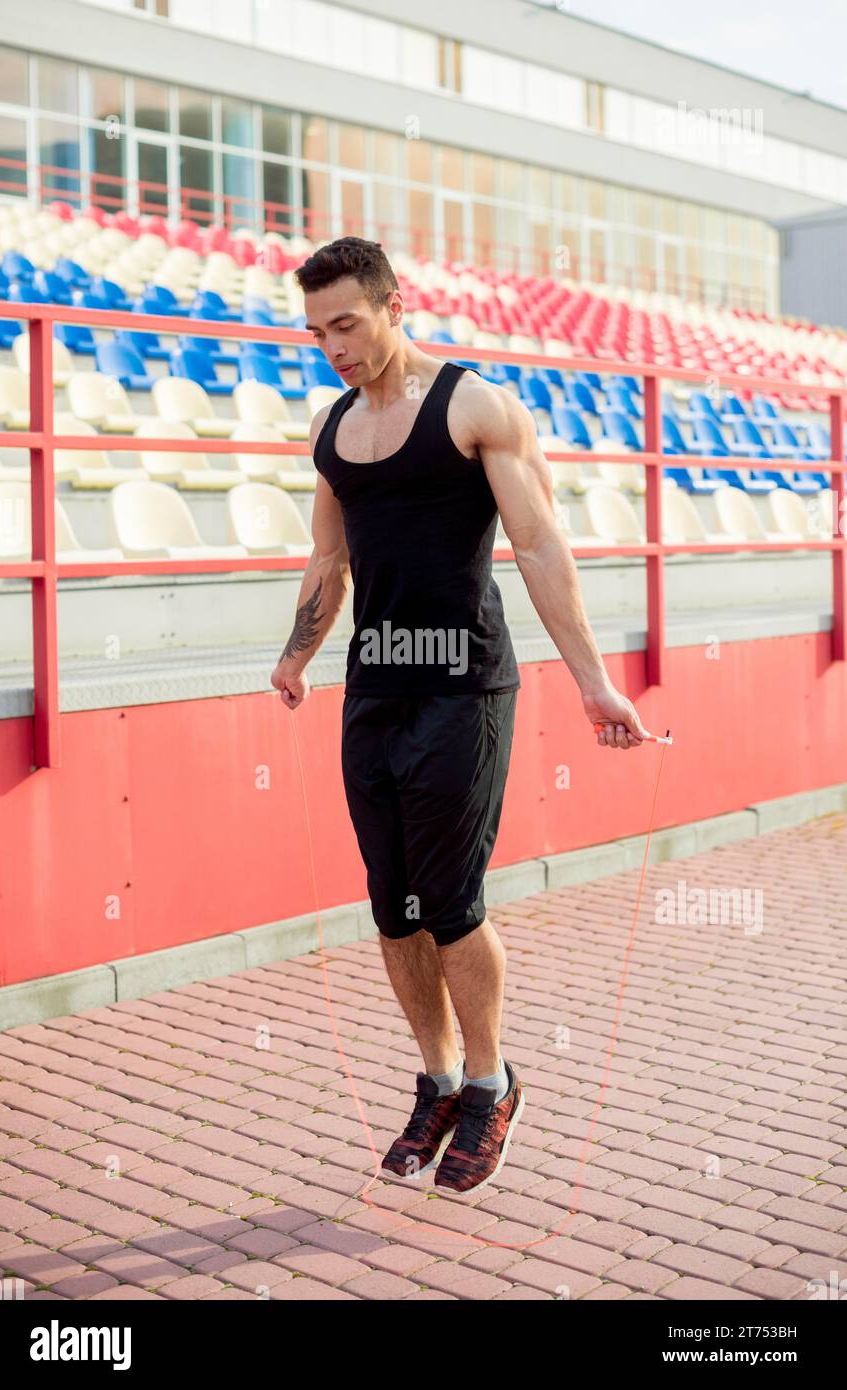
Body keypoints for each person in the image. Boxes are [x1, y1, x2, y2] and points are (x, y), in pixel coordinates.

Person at [271, 236, 651, 1195]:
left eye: (347, 324)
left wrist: (593, 682)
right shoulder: (333, 428)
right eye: (318, 332)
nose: (334, 346)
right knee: (392, 907)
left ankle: (489, 1082)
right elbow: (329, 560)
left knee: (449, 905)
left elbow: (538, 545)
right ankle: (437, 1081)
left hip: (463, 686)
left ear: (398, 305)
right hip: (375, 687)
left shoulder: (474, 405)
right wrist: (297, 655)